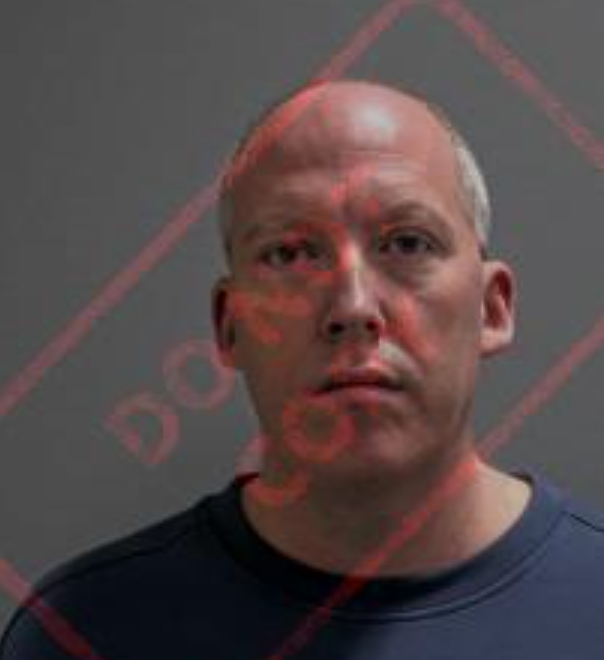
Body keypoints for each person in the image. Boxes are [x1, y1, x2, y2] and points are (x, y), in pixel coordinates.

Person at [2, 78, 604, 659]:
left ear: (491, 308)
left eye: (407, 243)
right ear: (229, 327)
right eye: (290, 253)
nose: (353, 307)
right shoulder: (83, 632)